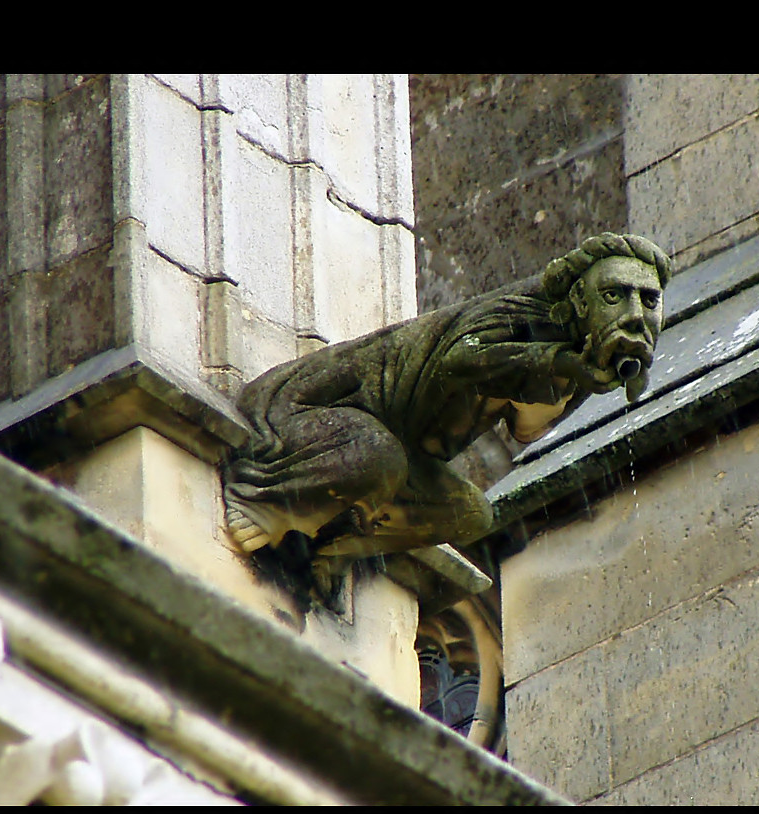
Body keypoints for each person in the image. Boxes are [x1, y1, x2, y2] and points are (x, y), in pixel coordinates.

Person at [222, 231, 672, 571]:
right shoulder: (521, 311)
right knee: (380, 458)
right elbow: (459, 360)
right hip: (299, 414)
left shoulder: (579, 356)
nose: (635, 314)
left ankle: (328, 548)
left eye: (649, 300)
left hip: (386, 451)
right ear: (577, 300)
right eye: (614, 296)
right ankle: (262, 498)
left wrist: (582, 376)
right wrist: (560, 362)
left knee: (470, 515)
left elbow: (527, 428)